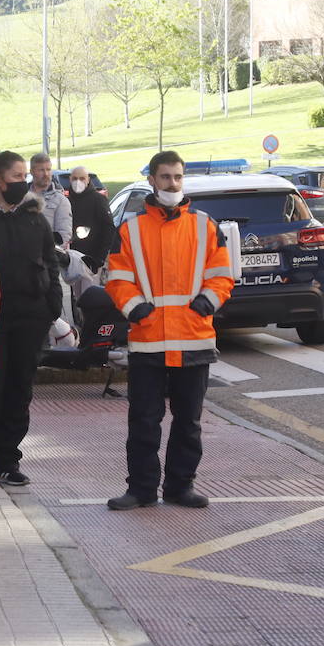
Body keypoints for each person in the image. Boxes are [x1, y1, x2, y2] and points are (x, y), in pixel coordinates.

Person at [105, 150, 234, 511]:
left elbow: (222, 274)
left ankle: (180, 487)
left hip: (193, 339)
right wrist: (138, 309)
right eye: (165, 177)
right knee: (144, 423)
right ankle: (142, 490)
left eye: (178, 177)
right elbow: (117, 279)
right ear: (152, 180)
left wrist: (207, 302)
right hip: (149, 342)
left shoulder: (204, 226)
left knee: (188, 423)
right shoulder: (131, 229)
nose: (172, 184)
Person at [0, 149, 63, 487]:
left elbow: (51, 263)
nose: (23, 182)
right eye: (16, 176)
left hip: (30, 317)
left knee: (19, 391)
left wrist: (53, 305)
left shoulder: (34, 217)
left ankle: (7, 459)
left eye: (25, 176)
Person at [66, 165, 114, 272]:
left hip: (93, 260)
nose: (78, 182)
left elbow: (109, 229)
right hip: (71, 260)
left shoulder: (98, 200)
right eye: (75, 178)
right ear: (70, 180)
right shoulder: (66, 202)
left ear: (88, 180)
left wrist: (99, 258)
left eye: (82, 178)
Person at [29, 153, 73, 245]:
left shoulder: (60, 200)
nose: (46, 174)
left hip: (50, 255)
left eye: (48, 169)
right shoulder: (22, 197)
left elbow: (64, 235)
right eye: (41, 170)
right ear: (32, 171)